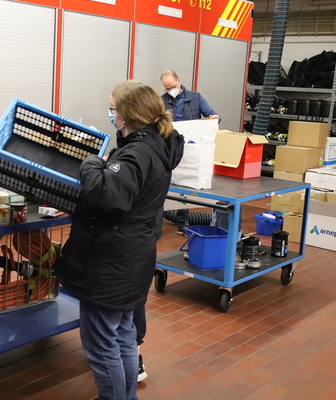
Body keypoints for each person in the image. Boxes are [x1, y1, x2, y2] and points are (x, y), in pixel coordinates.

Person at [54, 80, 184, 400]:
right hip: (133, 257)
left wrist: (91, 162)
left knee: (101, 342)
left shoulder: (137, 153)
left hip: (111, 263)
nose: (111, 113)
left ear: (126, 114)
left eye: (113, 108)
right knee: (124, 334)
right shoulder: (156, 145)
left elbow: (106, 194)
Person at [160, 70, 220, 236]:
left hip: (192, 147)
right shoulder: (161, 101)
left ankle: (183, 222)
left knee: (187, 183)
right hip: (171, 147)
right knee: (170, 183)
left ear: (179, 80)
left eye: (172, 86)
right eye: (167, 88)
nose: (170, 90)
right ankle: (173, 220)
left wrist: (214, 118)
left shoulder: (195, 97)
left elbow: (212, 114)